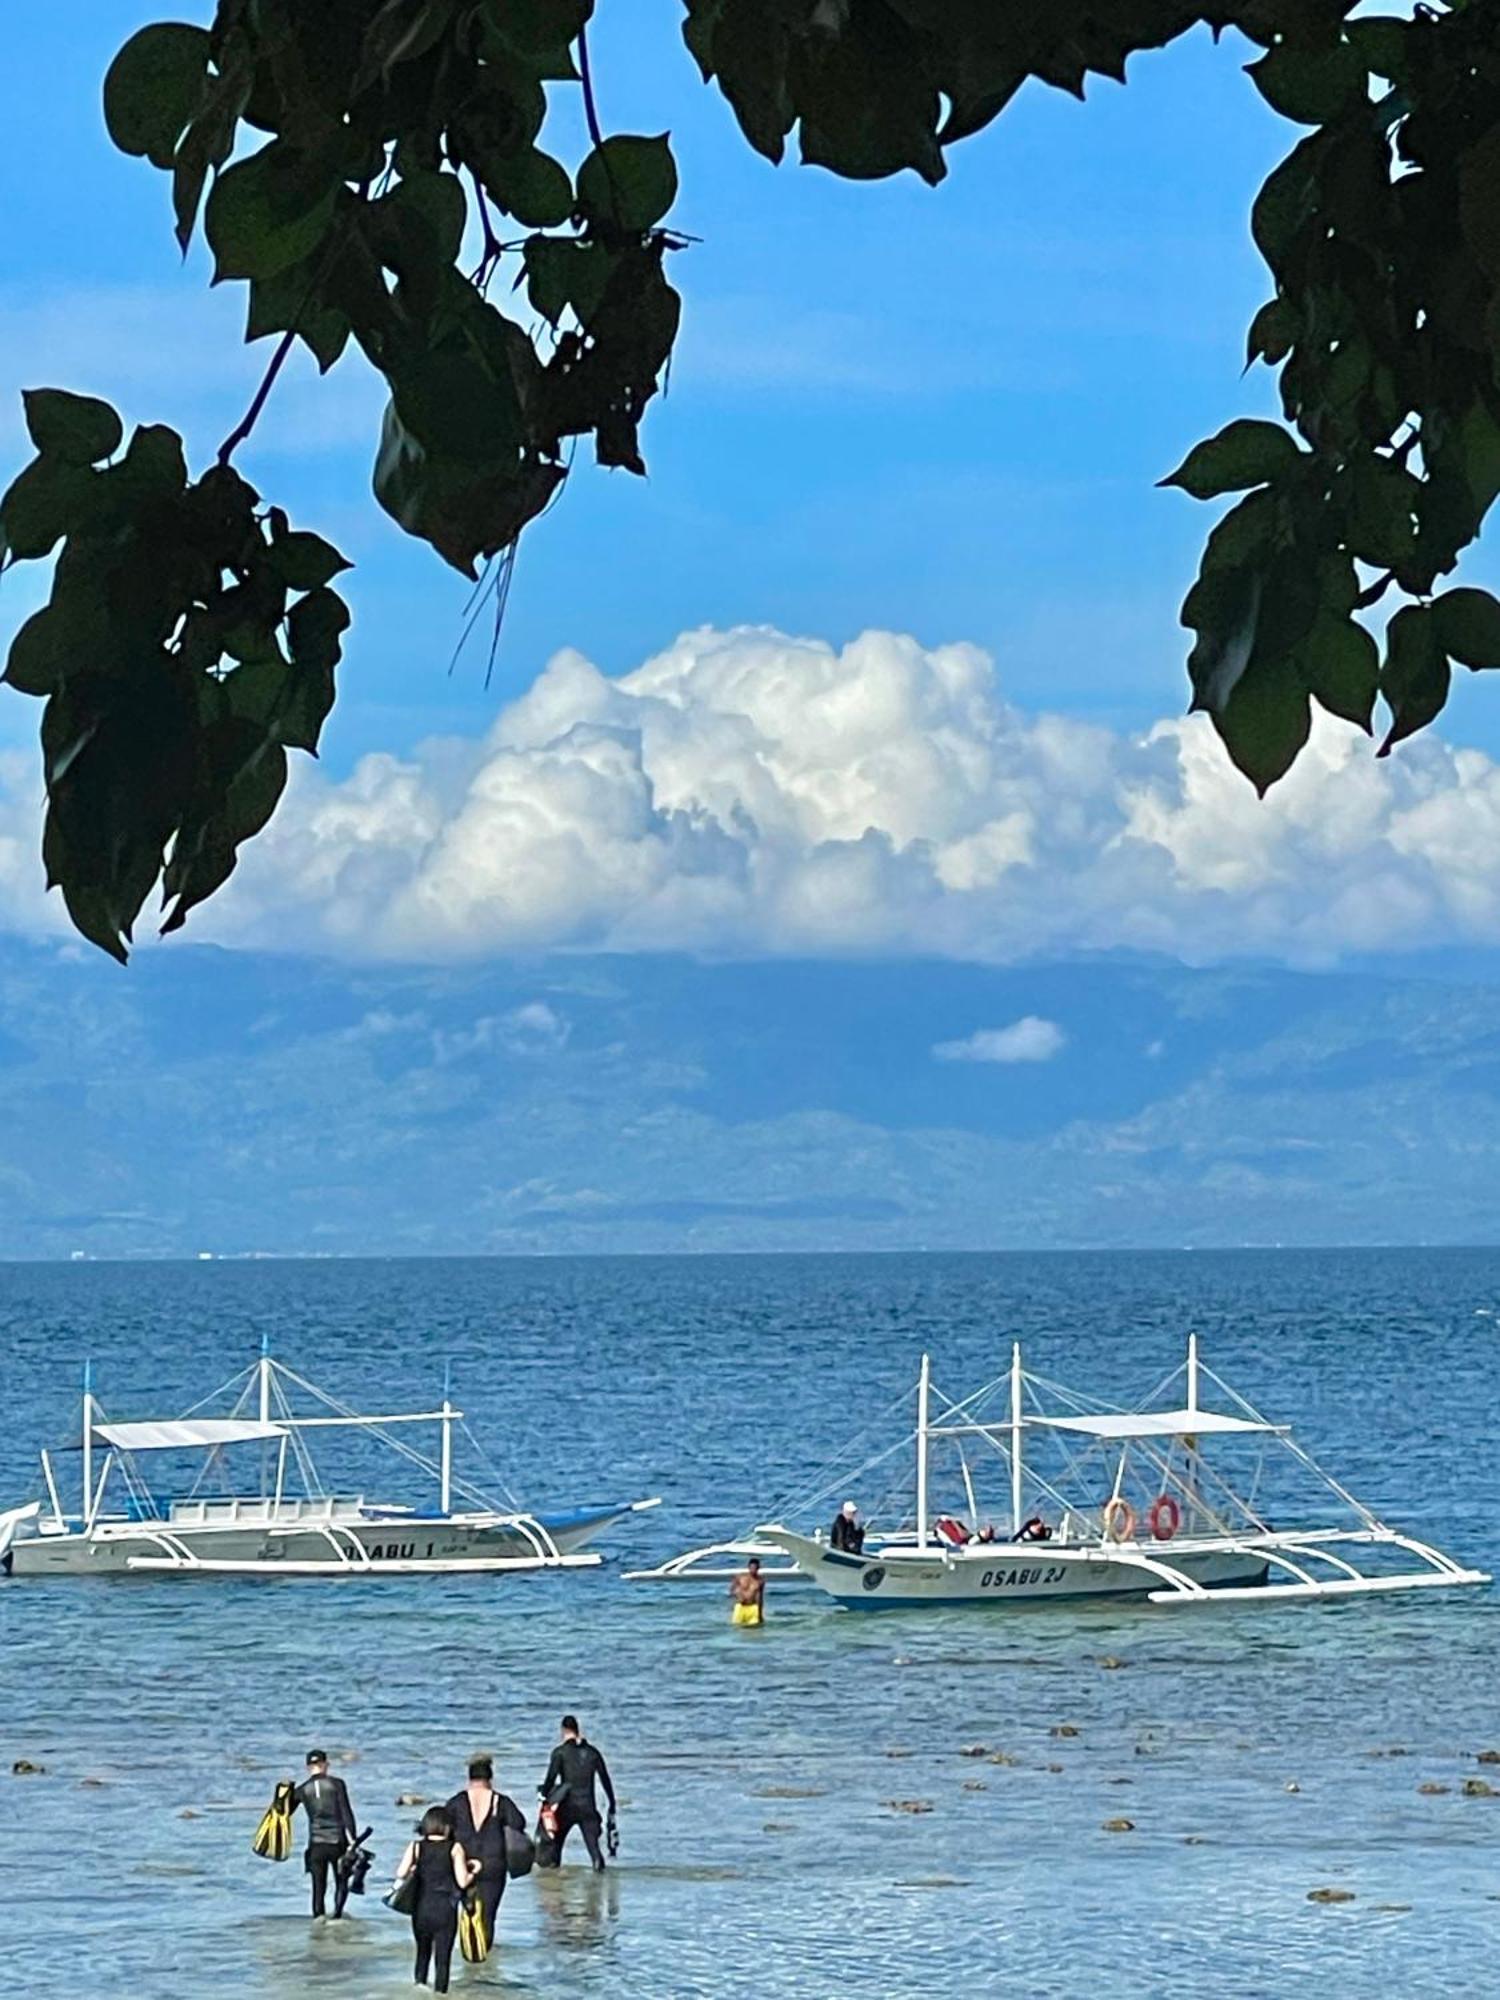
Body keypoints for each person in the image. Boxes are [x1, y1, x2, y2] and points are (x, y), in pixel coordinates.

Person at [393, 1806, 476, 1995]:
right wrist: (474, 1871)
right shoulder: (455, 1848)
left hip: (421, 1909)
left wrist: (416, 1867)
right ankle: (440, 1994)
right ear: (447, 1827)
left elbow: (400, 1873)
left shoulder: (416, 1847)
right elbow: (462, 1882)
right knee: (442, 1960)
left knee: (422, 1955)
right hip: (445, 1910)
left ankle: (419, 1988)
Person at [445, 1755, 526, 1946]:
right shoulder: (501, 1802)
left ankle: (469, 1953)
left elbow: (443, 1829)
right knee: (488, 1916)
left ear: (469, 1779)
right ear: (490, 1779)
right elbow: (519, 1823)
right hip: (493, 1865)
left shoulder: (456, 1802)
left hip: (464, 1866)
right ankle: (484, 1955)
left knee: (468, 1914)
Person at [539, 1715, 616, 1872]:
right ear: (577, 1729)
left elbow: (551, 1778)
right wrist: (612, 1803)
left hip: (566, 1807)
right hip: (588, 1807)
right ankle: (599, 1883)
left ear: (563, 1731)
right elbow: (605, 1779)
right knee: (594, 1851)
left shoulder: (559, 1753)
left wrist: (543, 1795)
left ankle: (556, 1884)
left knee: (555, 1847)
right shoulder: (593, 1753)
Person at [294, 1749, 357, 1920]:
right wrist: (354, 1841)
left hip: (316, 1844)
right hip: (337, 1843)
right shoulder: (337, 1784)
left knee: (318, 1887)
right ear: (326, 1764)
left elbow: (283, 1813)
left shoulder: (301, 1790)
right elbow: (346, 1814)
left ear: (308, 1767)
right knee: (341, 1882)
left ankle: (318, 1920)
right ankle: (337, 1916)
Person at [729, 1556, 766, 1626]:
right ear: (748, 1567)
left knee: (754, 1628)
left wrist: (760, 1614)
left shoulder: (760, 1581)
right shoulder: (740, 1577)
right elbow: (731, 1590)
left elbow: (760, 1598)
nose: (753, 1570)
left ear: (758, 1568)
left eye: (755, 1568)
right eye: (752, 1568)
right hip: (740, 1606)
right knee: (736, 1627)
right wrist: (737, 1594)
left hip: (753, 1607)